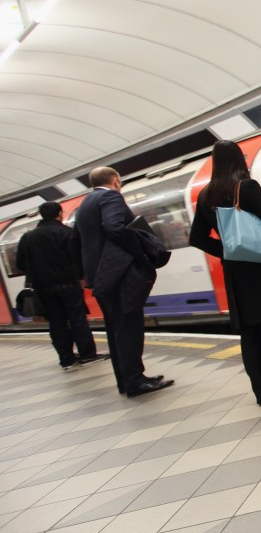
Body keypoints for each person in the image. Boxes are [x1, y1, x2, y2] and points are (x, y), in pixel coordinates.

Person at [190, 140, 261, 406]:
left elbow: (196, 237)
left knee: (251, 334)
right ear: (239, 160)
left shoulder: (206, 195)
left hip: (236, 273)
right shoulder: (246, 187)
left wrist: (229, 250)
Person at [74, 167, 174, 397]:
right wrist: (140, 251)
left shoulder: (85, 204)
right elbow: (114, 227)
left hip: (100, 275)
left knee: (116, 329)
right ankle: (136, 381)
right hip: (119, 274)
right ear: (117, 180)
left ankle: (126, 380)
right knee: (129, 328)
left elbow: (78, 240)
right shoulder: (110, 196)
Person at [14, 201, 107, 370]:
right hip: (69, 284)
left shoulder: (27, 238)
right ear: (60, 214)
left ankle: (67, 360)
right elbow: (79, 258)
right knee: (77, 319)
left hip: (43, 288)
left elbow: (21, 264)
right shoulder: (67, 233)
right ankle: (88, 355)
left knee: (56, 322)